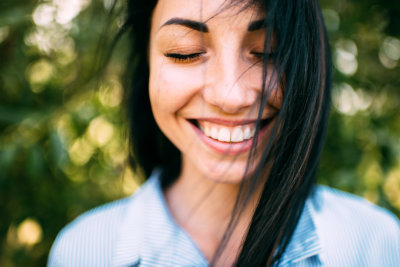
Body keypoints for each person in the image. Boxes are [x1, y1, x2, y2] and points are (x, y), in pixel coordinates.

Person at [47, 0, 400, 266]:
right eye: (185, 53)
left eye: (267, 52)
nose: (230, 97)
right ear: (149, 64)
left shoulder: (377, 245)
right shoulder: (84, 251)